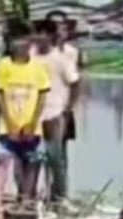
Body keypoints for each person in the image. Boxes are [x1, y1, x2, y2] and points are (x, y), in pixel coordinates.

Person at [0, 21, 48, 202]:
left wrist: (32, 123)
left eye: (24, 39)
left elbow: (41, 97)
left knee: (31, 161)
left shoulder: (38, 67)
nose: (20, 44)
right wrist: (9, 122)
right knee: (3, 159)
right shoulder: (4, 65)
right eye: (15, 39)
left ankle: (26, 198)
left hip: (32, 125)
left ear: (30, 41)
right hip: (8, 125)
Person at [31, 20, 78, 205]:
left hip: (55, 111)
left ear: (51, 36)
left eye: (44, 34)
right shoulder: (30, 56)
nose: (40, 38)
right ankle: (31, 196)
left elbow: (75, 83)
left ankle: (59, 197)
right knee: (32, 157)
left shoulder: (60, 58)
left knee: (55, 157)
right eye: (37, 33)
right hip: (32, 113)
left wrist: (68, 107)